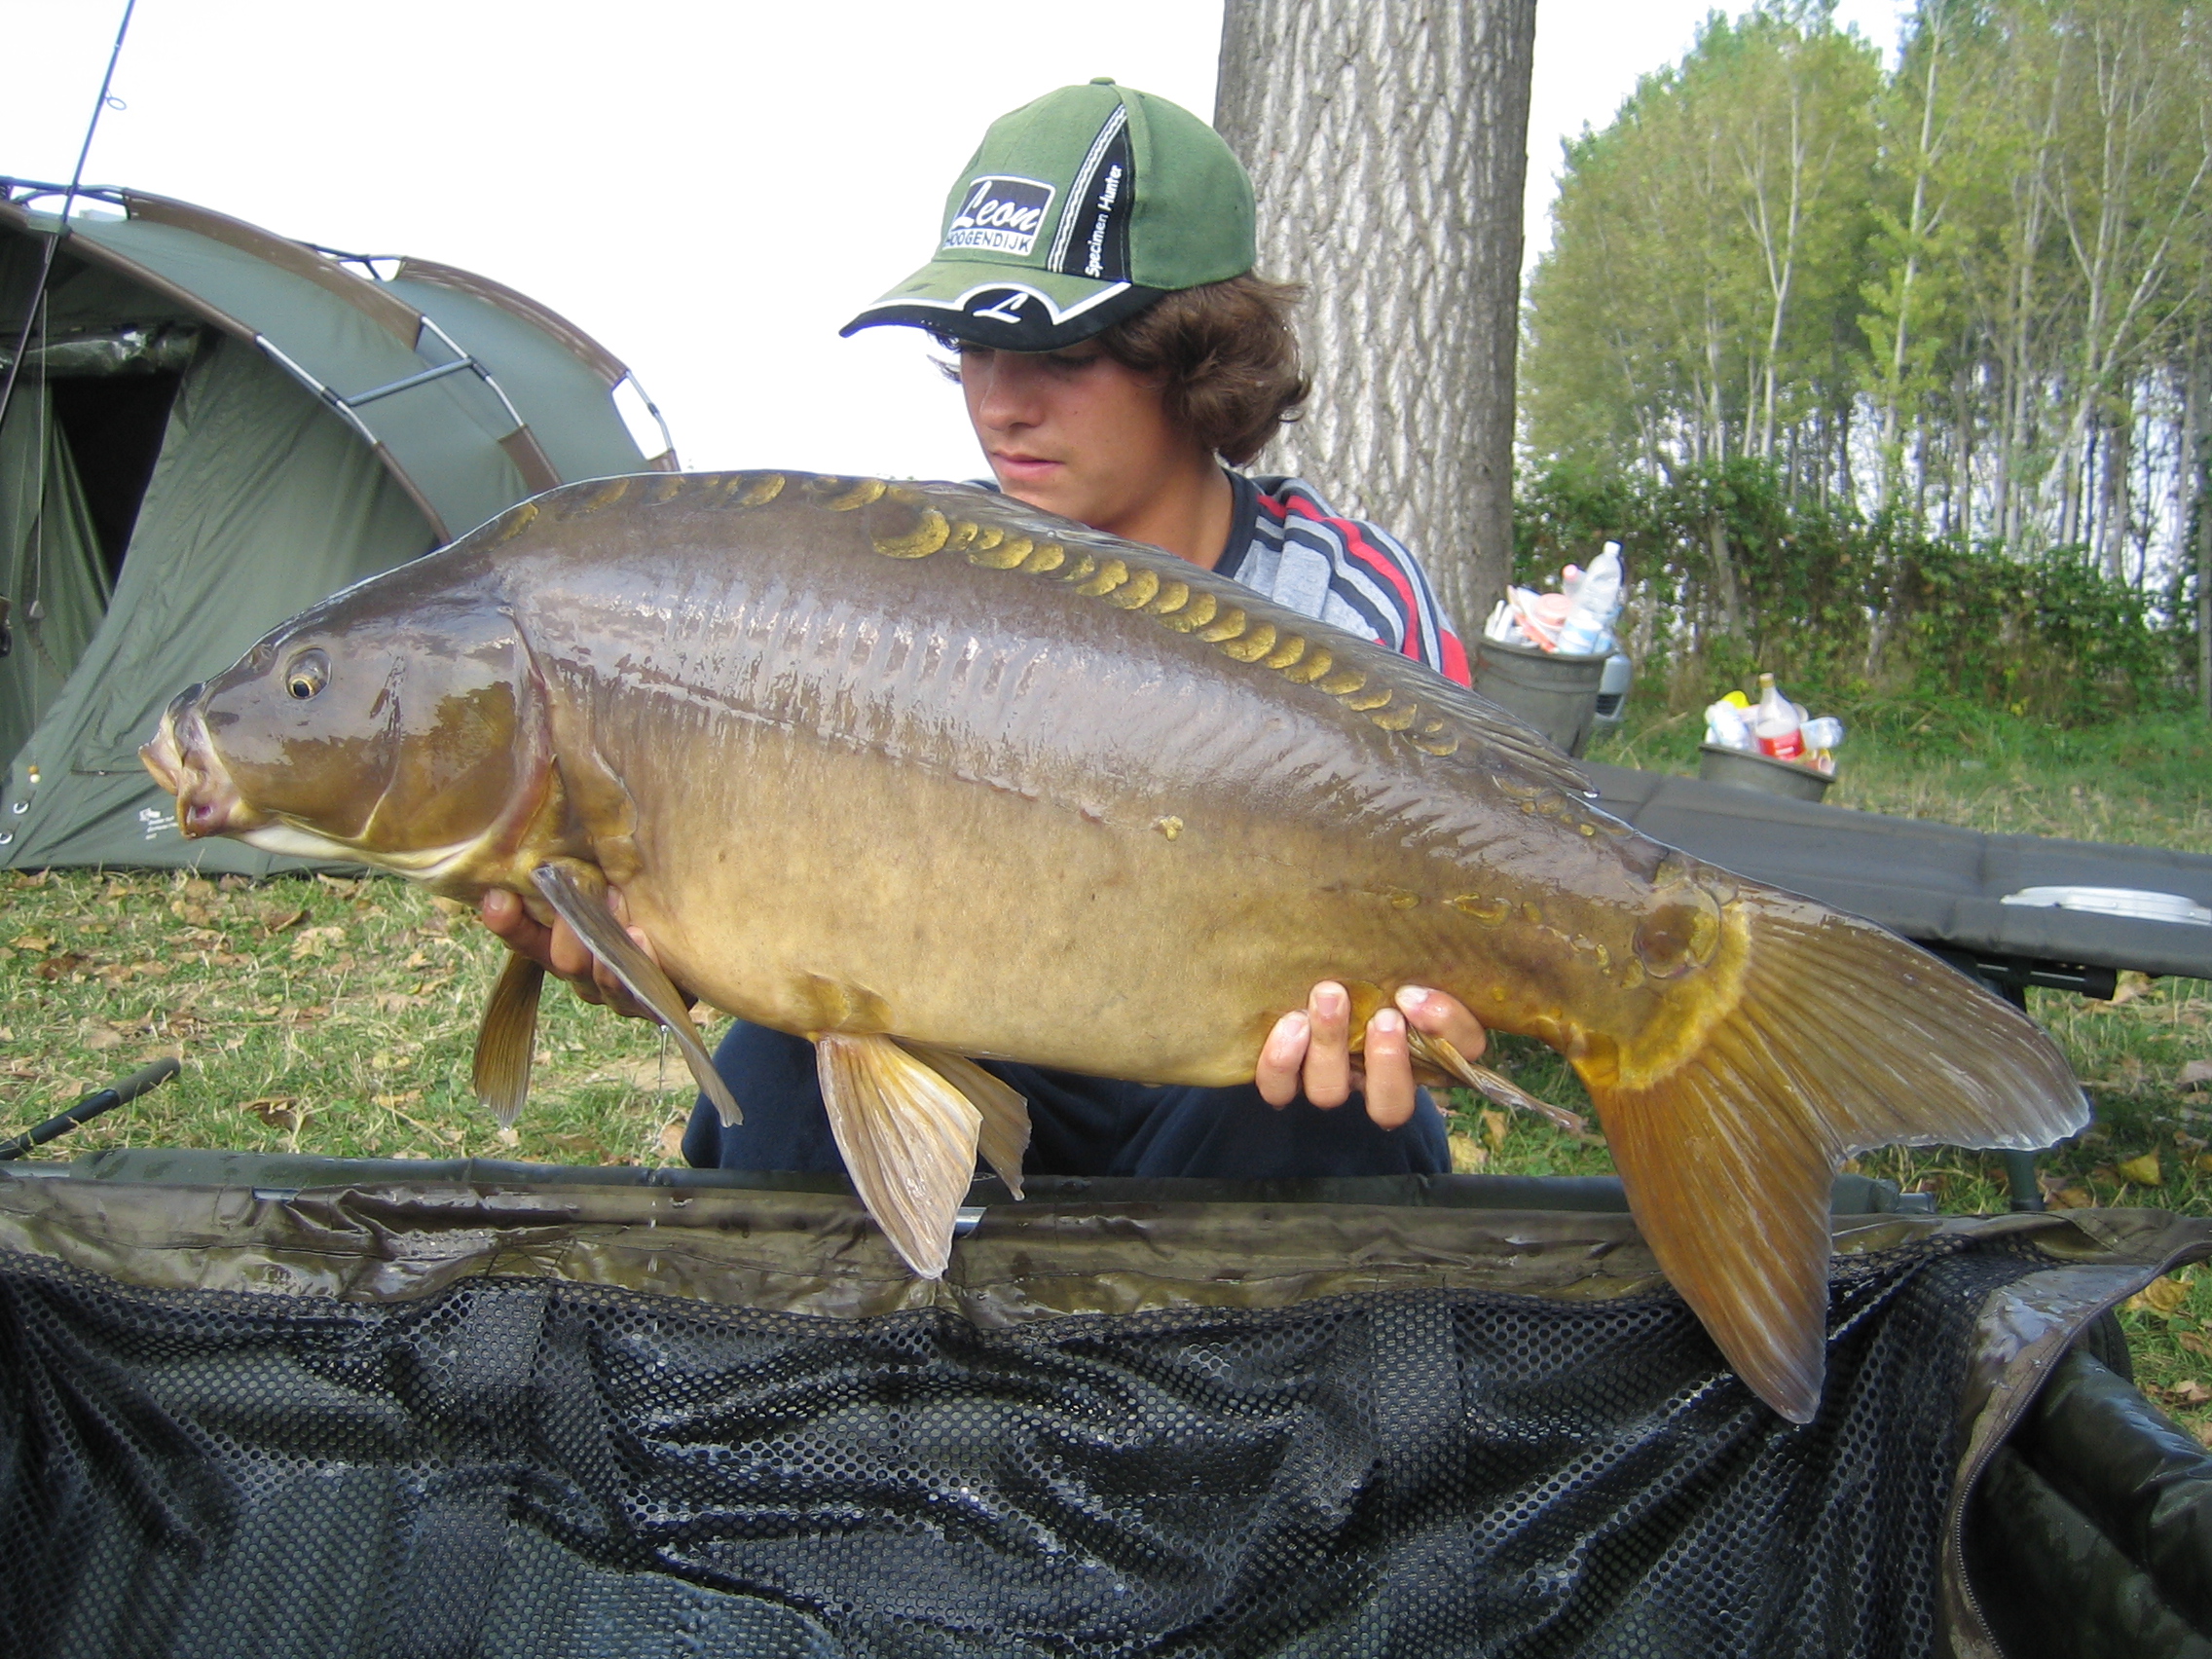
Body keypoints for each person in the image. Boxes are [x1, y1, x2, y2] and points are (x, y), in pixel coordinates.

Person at [481, 79, 1491, 1182]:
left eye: (1061, 355)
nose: (1002, 402)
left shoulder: (1346, 603)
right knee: (779, 1071)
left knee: (1332, 1124)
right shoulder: (904, 586)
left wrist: (1457, 1008)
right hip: (972, 1049)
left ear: (1200, 353)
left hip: (1246, 1073)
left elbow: (1478, 905)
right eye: (972, 345)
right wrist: (661, 948)